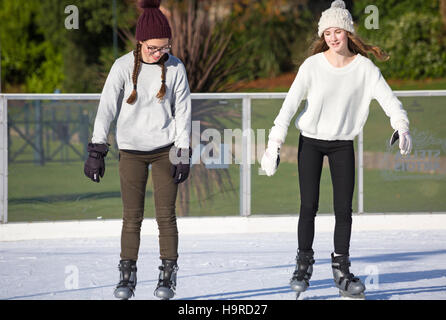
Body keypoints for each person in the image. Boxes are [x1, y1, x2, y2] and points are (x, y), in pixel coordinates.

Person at [261, 0, 412, 299]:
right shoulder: (312, 66)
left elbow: (388, 99)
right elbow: (289, 105)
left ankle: (341, 270)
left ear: (348, 33)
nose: (332, 37)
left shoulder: (364, 69)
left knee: (344, 210)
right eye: (327, 32)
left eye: (338, 31)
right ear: (322, 36)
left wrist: (401, 125)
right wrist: (273, 143)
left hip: (343, 144)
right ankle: (303, 266)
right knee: (309, 206)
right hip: (311, 143)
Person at [83, 0, 192, 300]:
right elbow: (105, 109)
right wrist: (97, 149)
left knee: (166, 216)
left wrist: (182, 152)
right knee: (132, 216)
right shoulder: (121, 67)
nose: (159, 54)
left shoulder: (175, 67)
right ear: (140, 42)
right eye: (153, 48)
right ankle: (127, 277)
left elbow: (183, 112)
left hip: (164, 150)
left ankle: (167, 277)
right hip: (131, 151)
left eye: (164, 48)